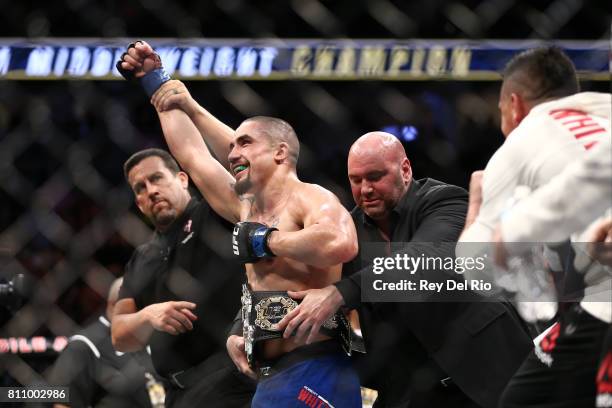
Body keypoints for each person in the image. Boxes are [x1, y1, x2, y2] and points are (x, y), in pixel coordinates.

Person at [117, 41, 362, 407]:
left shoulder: (310, 197)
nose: (233, 153)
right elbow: (192, 156)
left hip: (315, 365)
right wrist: (156, 85)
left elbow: (340, 243)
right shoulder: (247, 208)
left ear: (280, 152)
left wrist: (268, 241)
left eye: (243, 144)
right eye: (232, 147)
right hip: (268, 372)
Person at [274, 132, 533, 407]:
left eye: (375, 177)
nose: (365, 189)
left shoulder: (444, 201)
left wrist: (341, 292)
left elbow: (425, 260)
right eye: (356, 180)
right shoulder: (348, 231)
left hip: (485, 364)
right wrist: (244, 329)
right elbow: (297, 275)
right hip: (413, 388)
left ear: (405, 170)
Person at [454, 46, 611, 407]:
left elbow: (477, 268)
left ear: (515, 105)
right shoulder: (606, 118)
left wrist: (476, 203)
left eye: (501, 114)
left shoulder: (520, 143)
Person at [111, 148, 255, 407]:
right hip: (178, 392)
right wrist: (148, 315)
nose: (151, 190)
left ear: (182, 179)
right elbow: (119, 334)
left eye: (157, 178)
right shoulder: (141, 258)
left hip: (235, 374)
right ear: (139, 203)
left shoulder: (215, 214)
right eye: (140, 188)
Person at [48, 278, 157, 408]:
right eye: (140, 305)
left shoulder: (148, 337)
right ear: (114, 305)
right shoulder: (84, 344)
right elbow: (63, 404)